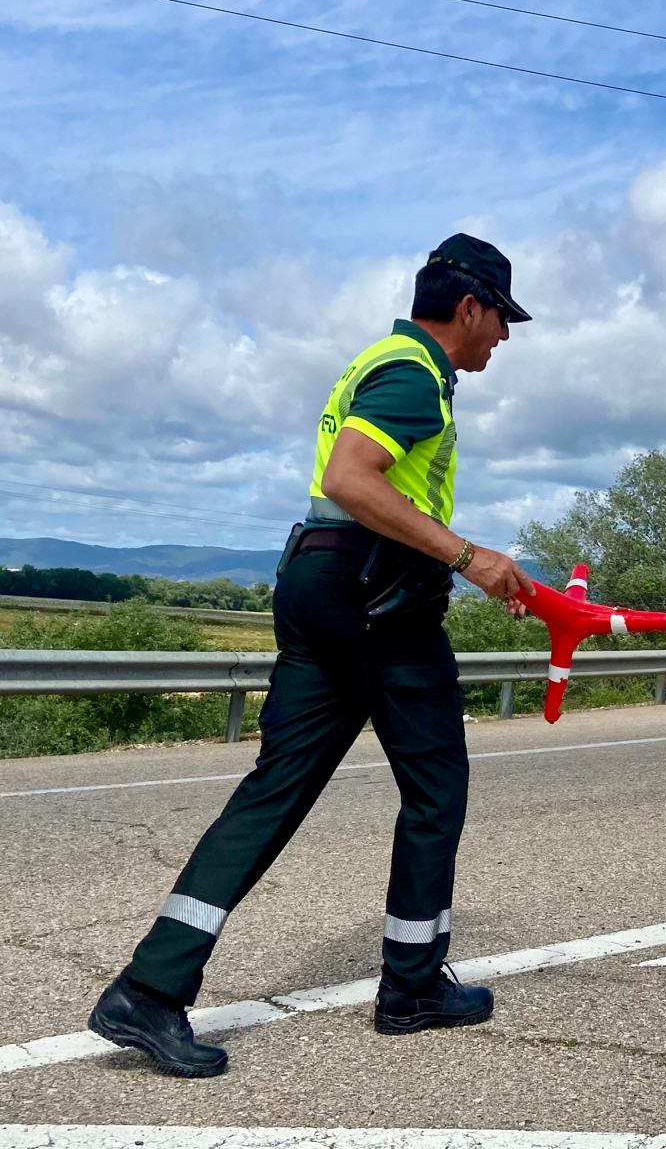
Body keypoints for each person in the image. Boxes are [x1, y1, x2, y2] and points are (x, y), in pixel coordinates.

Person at [87, 234, 535, 1077]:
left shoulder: (377, 359)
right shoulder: (417, 377)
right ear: (468, 307)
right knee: (437, 787)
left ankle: (149, 990)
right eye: (501, 320)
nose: (503, 339)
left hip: (320, 582)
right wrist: (468, 556)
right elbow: (350, 477)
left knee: (275, 790)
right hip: (378, 597)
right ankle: (411, 987)